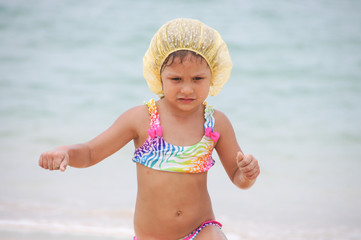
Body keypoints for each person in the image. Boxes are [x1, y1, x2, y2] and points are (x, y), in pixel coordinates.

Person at [39, 18, 260, 240]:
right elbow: (91, 153)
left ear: (212, 76)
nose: (187, 88)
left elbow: (237, 176)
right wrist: (66, 151)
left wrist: (247, 174)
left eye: (197, 78)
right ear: (158, 76)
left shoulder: (215, 122)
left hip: (200, 231)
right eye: (175, 78)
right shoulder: (141, 118)